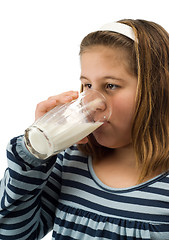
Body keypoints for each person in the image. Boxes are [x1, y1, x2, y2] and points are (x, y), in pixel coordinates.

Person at [0, 19, 169, 240]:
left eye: (111, 86)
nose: (92, 102)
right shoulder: (71, 159)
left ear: (156, 89)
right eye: (88, 85)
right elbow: (10, 233)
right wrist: (35, 151)